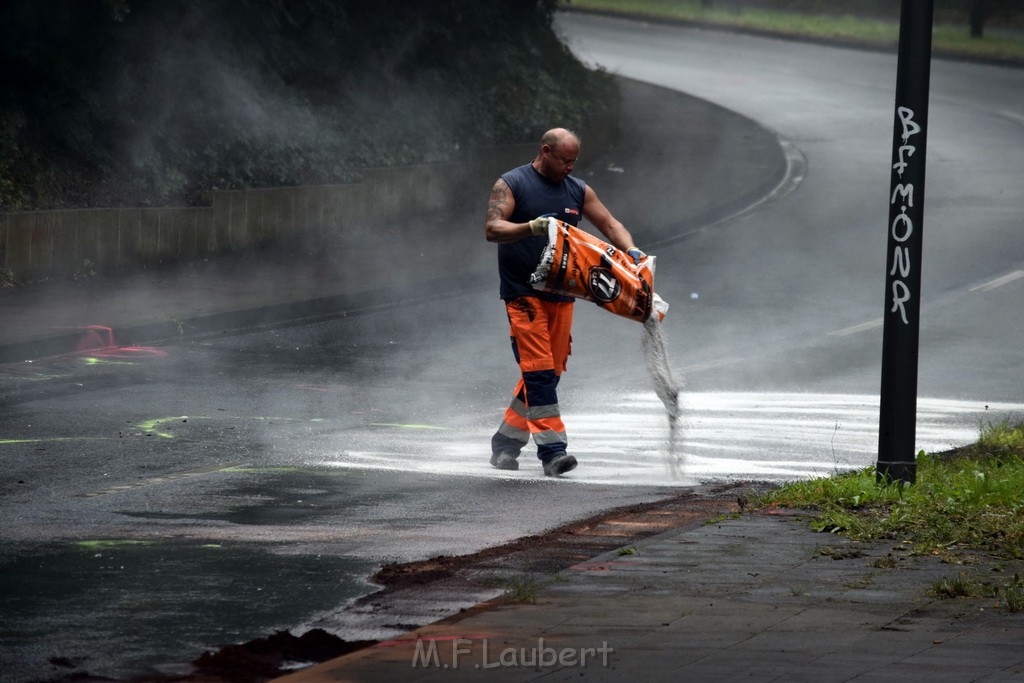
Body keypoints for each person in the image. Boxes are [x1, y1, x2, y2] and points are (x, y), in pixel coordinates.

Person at [484, 127, 643, 476]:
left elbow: (611, 223)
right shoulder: (512, 184)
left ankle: (505, 444)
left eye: (574, 161)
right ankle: (553, 453)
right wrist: (533, 227)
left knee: (548, 372)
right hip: (522, 294)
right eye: (564, 160)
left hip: (562, 293)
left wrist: (630, 250)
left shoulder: (578, 190)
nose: (570, 167)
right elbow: (493, 228)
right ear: (545, 151)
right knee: (539, 369)